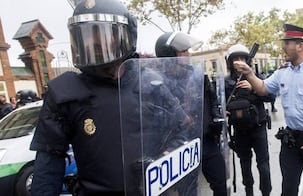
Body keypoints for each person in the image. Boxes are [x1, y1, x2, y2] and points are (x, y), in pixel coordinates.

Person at [30, 1, 189, 195]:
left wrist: (167, 156)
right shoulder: (66, 93)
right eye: (86, 36)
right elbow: (48, 164)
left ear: (127, 37)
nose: (93, 44)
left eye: (103, 36)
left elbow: (182, 130)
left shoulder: (152, 84)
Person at [234, 24, 303, 196]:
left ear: (300, 45)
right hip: (291, 139)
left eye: (287, 43)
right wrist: (249, 73)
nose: (283, 46)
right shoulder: (282, 72)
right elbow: (262, 89)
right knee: (288, 187)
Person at [154, 32, 227, 196]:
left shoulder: (197, 76)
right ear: (169, 55)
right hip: (179, 144)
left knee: (220, 183)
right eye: (184, 51)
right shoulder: (159, 82)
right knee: (188, 191)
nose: (188, 55)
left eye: (188, 51)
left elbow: (212, 100)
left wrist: (216, 118)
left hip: (205, 139)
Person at [225, 43, 272, 196]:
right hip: (239, 131)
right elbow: (219, 103)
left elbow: (270, 96)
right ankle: (249, 192)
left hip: (258, 127)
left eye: (242, 58)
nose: (239, 61)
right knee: (245, 164)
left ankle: (266, 192)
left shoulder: (256, 77)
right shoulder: (226, 82)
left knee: (263, 165)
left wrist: (254, 87)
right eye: (235, 58)